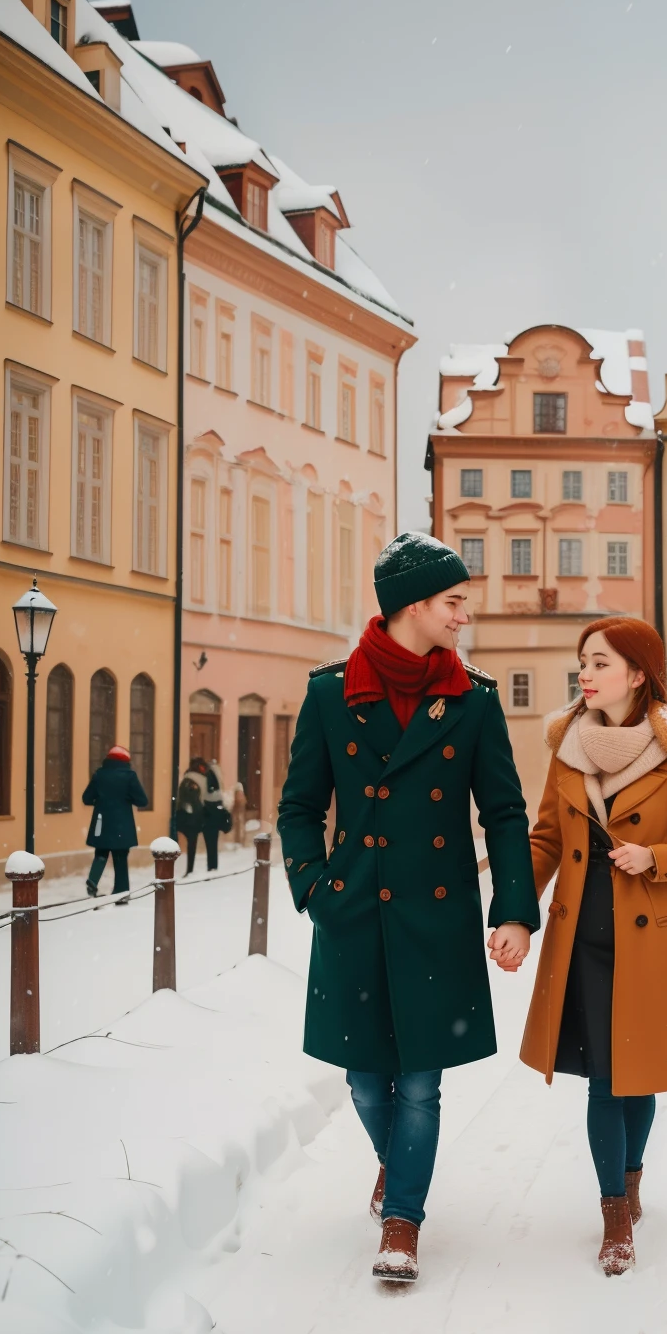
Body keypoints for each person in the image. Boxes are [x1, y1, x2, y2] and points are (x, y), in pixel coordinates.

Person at [277, 532, 539, 1285]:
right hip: (353, 915)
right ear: (411, 605)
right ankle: (398, 1168)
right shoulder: (331, 694)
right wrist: (314, 888)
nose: (464, 617)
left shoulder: (473, 700)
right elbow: (298, 808)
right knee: (365, 1082)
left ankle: (403, 1223)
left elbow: (505, 812)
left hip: (436, 915)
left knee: (420, 1080)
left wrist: (512, 909)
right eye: (454, 603)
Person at [519, 618, 667, 1276]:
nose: (587, 672)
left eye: (600, 662)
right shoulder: (565, 745)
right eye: (583, 662)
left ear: (638, 673)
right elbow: (546, 839)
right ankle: (614, 1214)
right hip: (581, 941)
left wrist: (653, 857)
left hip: (647, 943)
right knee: (607, 1082)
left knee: (642, 1079)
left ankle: (631, 1180)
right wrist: (513, 905)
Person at [82, 745, 149, 900]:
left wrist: (102, 801)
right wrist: (126, 799)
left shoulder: (99, 774)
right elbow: (142, 800)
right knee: (120, 858)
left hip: (102, 822)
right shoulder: (129, 776)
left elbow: (86, 798)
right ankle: (121, 892)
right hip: (122, 824)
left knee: (101, 853)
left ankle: (93, 881)